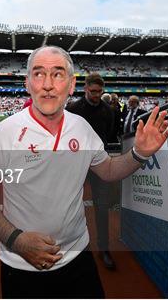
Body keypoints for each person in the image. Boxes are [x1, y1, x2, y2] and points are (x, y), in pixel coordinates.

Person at [0, 46, 168, 298]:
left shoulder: (81, 128)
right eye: (38, 74)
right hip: (22, 265)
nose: (48, 84)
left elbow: (107, 169)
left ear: (72, 85)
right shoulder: (6, 132)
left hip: (78, 256)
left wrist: (140, 153)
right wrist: (17, 240)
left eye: (58, 74)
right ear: (27, 84)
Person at [66, 73, 116, 269]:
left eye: (99, 92)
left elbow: (109, 135)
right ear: (85, 88)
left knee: (102, 207)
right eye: (92, 91)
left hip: (98, 164)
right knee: (68, 204)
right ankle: (69, 246)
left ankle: (104, 248)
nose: (96, 95)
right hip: (75, 164)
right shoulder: (73, 109)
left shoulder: (108, 111)